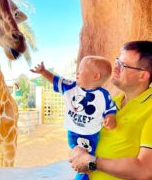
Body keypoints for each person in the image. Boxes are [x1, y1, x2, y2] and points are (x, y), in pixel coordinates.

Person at [69, 40, 152, 180]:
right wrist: (78, 150)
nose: (115, 68)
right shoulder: (112, 102)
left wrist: (92, 162)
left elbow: (145, 170)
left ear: (143, 75)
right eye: (117, 61)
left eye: (123, 65)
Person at [31, 55, 116, 180]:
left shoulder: (103, 95)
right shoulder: (71, 87)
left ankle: (83, 175)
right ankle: (83, 170)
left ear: (95, 76)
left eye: (81, 69)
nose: (77, 72)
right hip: (73, 134)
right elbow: (56, 80)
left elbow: (110, 109)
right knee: (80, 157)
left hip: (91, 135)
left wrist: (110, 118)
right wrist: (44, 72)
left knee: (85, 161)